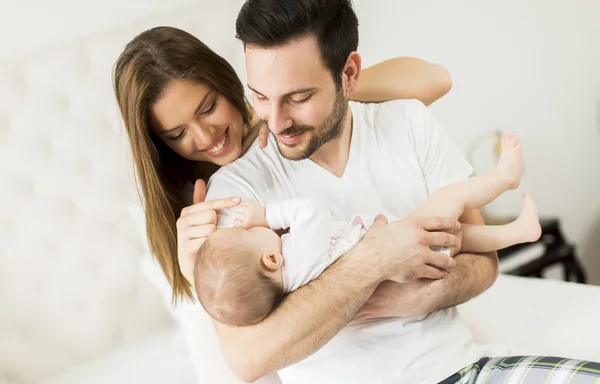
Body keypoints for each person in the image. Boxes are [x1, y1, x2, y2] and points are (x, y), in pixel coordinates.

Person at [196, 0, 600, 384]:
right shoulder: (236, 194)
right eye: (261, 97)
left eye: (298, 98)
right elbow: (250, 359)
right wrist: (372, 261)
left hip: (466, 373)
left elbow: (482, 262)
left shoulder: (408, 121)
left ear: (349, 73)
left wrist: (423, 295)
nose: (277, 121)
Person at [113, 23, 457, 384]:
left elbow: (434, 79)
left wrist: (282, 104)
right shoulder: (205, 207)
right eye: (177, 134)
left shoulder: (286, 128)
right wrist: (191, 271)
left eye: (208, 107)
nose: (204, 136)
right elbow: (246, 360)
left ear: (227, 82)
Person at [195, 135, 543, 328]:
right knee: (449, 197)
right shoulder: (295, 255)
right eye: (246, 233)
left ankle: (517, 232)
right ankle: (506, 179)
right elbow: (312, 212)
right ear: (270, 259)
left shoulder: (293, 288)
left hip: (400, 269)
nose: (249, 227)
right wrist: (265, 214)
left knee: (457, 236)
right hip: (400, 254)